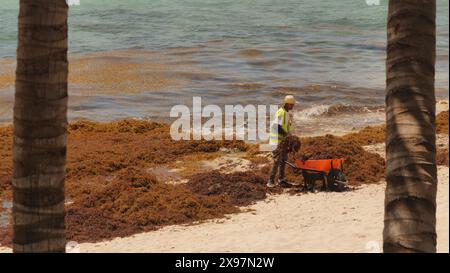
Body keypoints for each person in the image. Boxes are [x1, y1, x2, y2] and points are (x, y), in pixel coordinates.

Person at [267, 95, 295, 188]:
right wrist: (285, 135)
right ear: (286, 104)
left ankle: (281, 180)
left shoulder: (287, 114)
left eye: (293, 104)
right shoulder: (281, 112)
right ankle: (270, 181)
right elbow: (276, 127)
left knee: (283, 160)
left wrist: (289, 135)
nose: (293, 106)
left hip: (282, 141)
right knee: (277, 161)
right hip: (276, 141)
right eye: (291, 104)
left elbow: (286, 128)